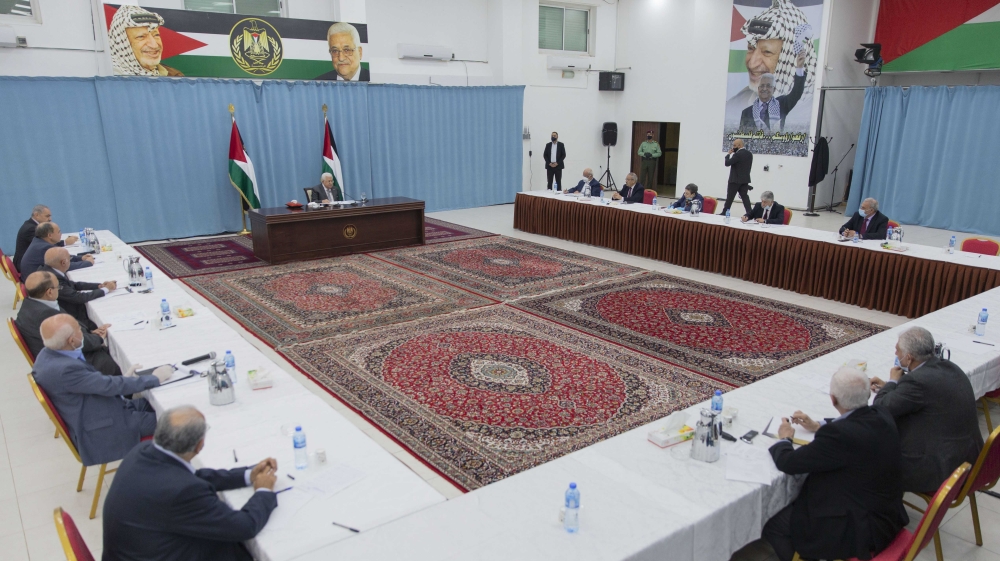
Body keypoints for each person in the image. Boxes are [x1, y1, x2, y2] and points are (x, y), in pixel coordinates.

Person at [763, 367, 908, 561]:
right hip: (886, 515)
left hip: (857, 528)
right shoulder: (881, 413)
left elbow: (789, 463)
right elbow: (855, 421)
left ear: (833, 399)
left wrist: (785, 439)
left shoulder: (838, 436)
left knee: (773, 524)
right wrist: (818, 425)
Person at [103, 405, 279, 561]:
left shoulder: (142, 452)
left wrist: (247, 475)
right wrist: (263, 490)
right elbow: (244, 526)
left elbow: (191, 476)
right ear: (199, 446)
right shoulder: (183, 491)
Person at [33, 314, 170, 466]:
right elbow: (108, 386)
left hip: (102, 409)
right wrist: (155, 378)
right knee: (175, 421)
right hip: (105, 428)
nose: (83, 333)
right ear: (71, 341)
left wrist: (126, 380)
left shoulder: (46, 354)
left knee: (162, 403)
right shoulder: (65, 369)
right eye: (80, 330)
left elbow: (98, 384)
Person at [870, 327, 983, 493]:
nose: (895, 354)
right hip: (968, 457)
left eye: (897, 350)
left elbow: (881, 407)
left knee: (872, 452)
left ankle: (885, 508)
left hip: (942, 468)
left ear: (908, 358)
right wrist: (892, 387)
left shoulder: (917, 381)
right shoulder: (950, 367)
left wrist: (893, 381)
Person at [725, 0, 816, 126]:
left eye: (767, 52)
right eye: (751, 48)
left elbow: (796, 92)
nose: (752, 64)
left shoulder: (788, 105)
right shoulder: (740, 107)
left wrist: (799, 68)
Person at [15, 271, 121, 377]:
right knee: (116, 358)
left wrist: (90, 333)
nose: (59, 290)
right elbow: (75, 342)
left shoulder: (30, 304)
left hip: (56, 355)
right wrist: (98, 338)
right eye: (58, 287)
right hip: (68, 363)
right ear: (49, 292)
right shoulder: (45, 313)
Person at [39, 247, 116, 328]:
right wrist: (105, 290)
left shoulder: (50, 269)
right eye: (70, 258)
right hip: (71, 316)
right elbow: (78, 297)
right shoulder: (53, 278)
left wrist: (98, 286)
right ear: (63, 262)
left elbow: (72, 284)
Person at [108, 4, 183, 77]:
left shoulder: (174, 76)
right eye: (141, 37)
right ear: (122, 44)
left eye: (156, 35)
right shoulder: (111, 79)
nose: (154, 45)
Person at [738, 56, 806, 132]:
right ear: (758, 89)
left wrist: (799, 68)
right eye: (762, 86)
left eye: (768, 86)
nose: (764, 89)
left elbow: (796, 93)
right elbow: (741, 138)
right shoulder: (746, 113)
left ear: (773, 89)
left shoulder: (782, 104)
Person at [13, 205, 77, 273]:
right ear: (36, 215)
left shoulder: (31, 224)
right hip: (25, 266)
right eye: (47, 216)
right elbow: (45, 243)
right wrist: (65, 242)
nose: (50, 219)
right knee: (58, 265)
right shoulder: (31, 228)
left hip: (29, 261)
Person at [20, 222, 93, 275]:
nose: (61, 234)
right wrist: (87, 263)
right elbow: (63, 266)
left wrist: (81, 258)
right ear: (50, 235)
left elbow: (63, 258)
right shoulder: (45, 248)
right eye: (59, 232)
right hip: (38, 285)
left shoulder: (38, 241)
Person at [722, 139, 753, 216]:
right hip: (744, 180)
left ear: (739, 145)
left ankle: (725, 212)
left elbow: (727, 163)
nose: (733, 147)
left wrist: (728, 155)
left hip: (734, 180)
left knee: (730, 198)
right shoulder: (749, 154)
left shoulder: (738, 154)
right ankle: (750, 213)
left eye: (734, 145)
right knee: (745, 198)